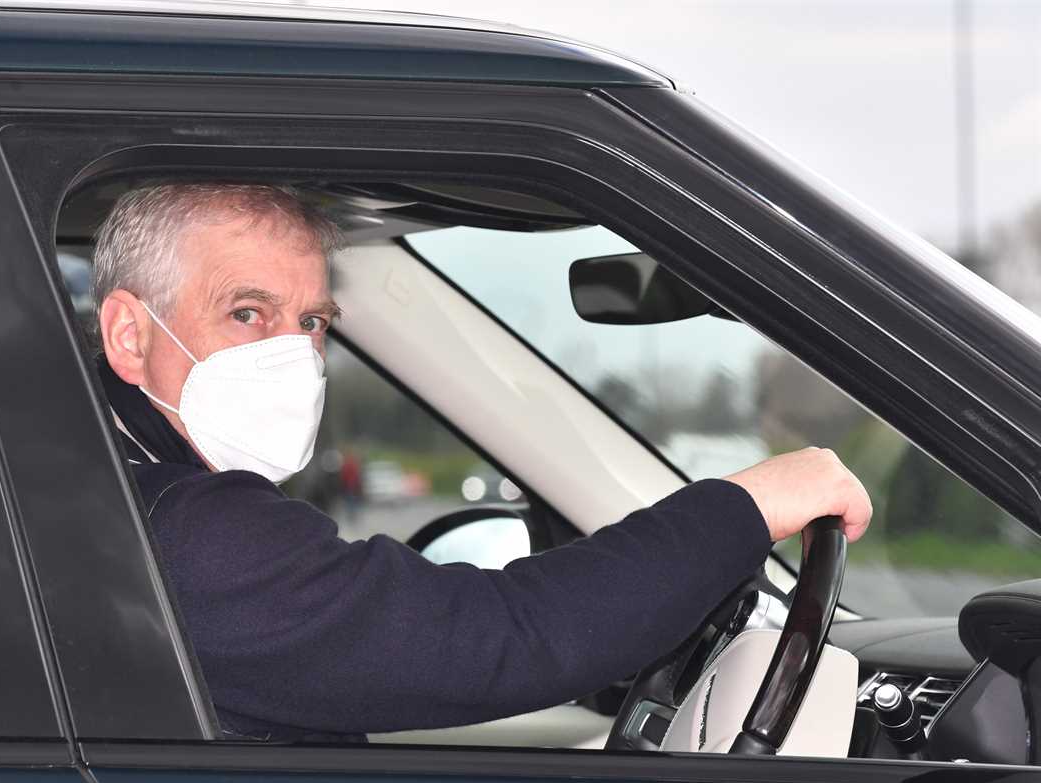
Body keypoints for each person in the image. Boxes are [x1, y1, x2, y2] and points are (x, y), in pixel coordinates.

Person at [93, 183, 872, 743]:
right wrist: (748, 504)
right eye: (246, 313)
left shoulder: (116, 486)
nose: (293, 354)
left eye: (311, 322)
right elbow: (500, 636)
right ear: (130, 335)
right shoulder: (187, 530)